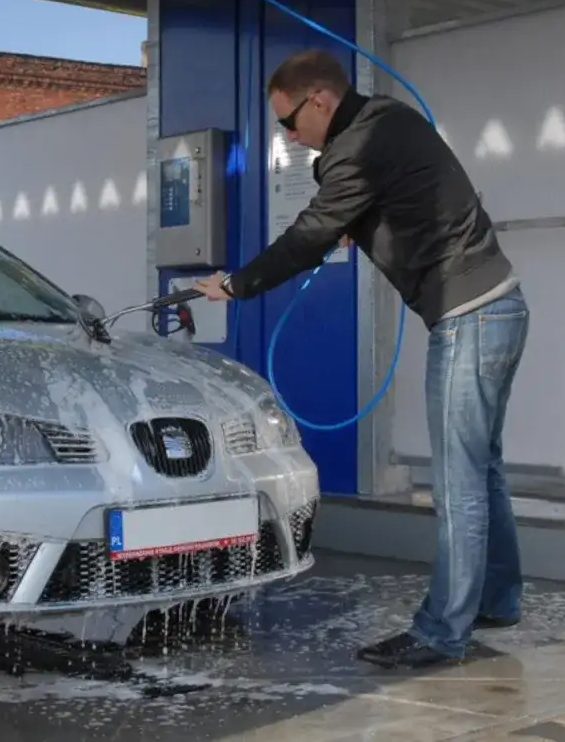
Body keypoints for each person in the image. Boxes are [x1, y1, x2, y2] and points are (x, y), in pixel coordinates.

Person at [194, 49, 530, 670]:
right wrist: (366, 214)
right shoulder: (386, 120)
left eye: (289, 123)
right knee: (482, 470)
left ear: (319, 100)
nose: (288, 138)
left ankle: (442, 633)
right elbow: (405, 193)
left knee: (459, 485)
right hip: (500, 308)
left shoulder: (357, 147)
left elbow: (307, 235)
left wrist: (236, 285)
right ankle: (498, 600)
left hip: (470, 315)